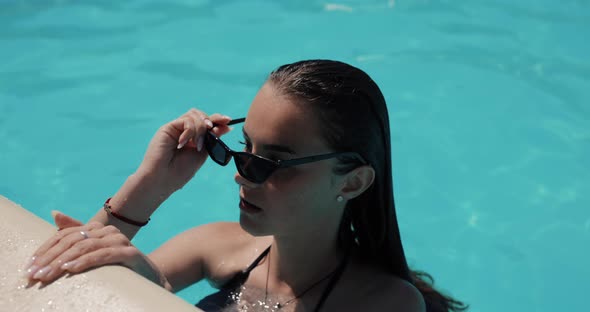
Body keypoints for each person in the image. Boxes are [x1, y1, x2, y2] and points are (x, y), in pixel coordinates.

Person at [24, 60, 468, 312]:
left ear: (352, 182)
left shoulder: (384, 303)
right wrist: (150, 184)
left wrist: (151, 291)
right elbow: (67, 290)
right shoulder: (216, 245)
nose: (240, 173)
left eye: (272, 162)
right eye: (242, 150)